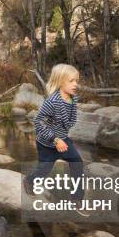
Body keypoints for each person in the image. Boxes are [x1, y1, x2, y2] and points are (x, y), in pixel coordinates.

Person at [24, 64, 88, 216]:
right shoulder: (51, 102)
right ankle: (29, 181)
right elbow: (38, 122)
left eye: (77, 81)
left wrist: (62, 137)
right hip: (47, 143)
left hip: (64, 139)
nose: (75, 84)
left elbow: (70, 120)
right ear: (60, 82)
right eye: (71, 81)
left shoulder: (73, 99)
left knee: (77, 163)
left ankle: (76, 199)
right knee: (44, 169)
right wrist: (55, 139)